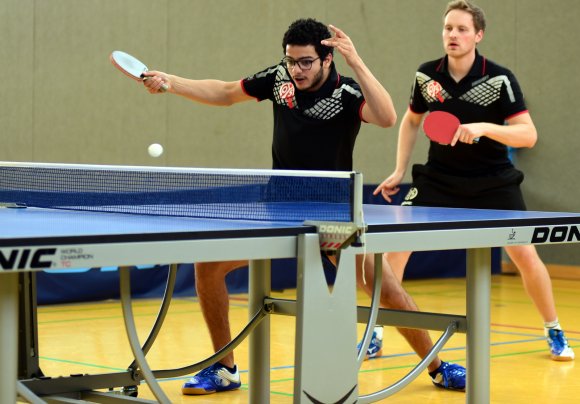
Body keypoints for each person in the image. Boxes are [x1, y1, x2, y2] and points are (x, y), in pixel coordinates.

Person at [143, 18, 466, 395]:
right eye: (291, 60)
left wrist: (357, 61)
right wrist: (172, 82)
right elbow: (228, 92)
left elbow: (387, 117)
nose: (296, 69)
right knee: (208, 266)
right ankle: (225, 368)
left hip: (332, 214)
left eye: (306, 62)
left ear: (327, 59)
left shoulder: (345, 93)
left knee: (384, 289)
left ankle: (438, 367)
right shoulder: (280, 81)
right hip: (279, 208)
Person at [374, 0, 575, 366]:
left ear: (478, 35)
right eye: (448, 28)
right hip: (439, 177)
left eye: (462, 29)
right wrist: (400, 169)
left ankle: (553, 329)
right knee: (394, 248)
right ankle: (375, 330)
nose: (453, 35)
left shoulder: (499, 79)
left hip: (493, 181)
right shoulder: (426, 76)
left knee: (525, 254)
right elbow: (411, 120)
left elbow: (528, 135)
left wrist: (483, 128)